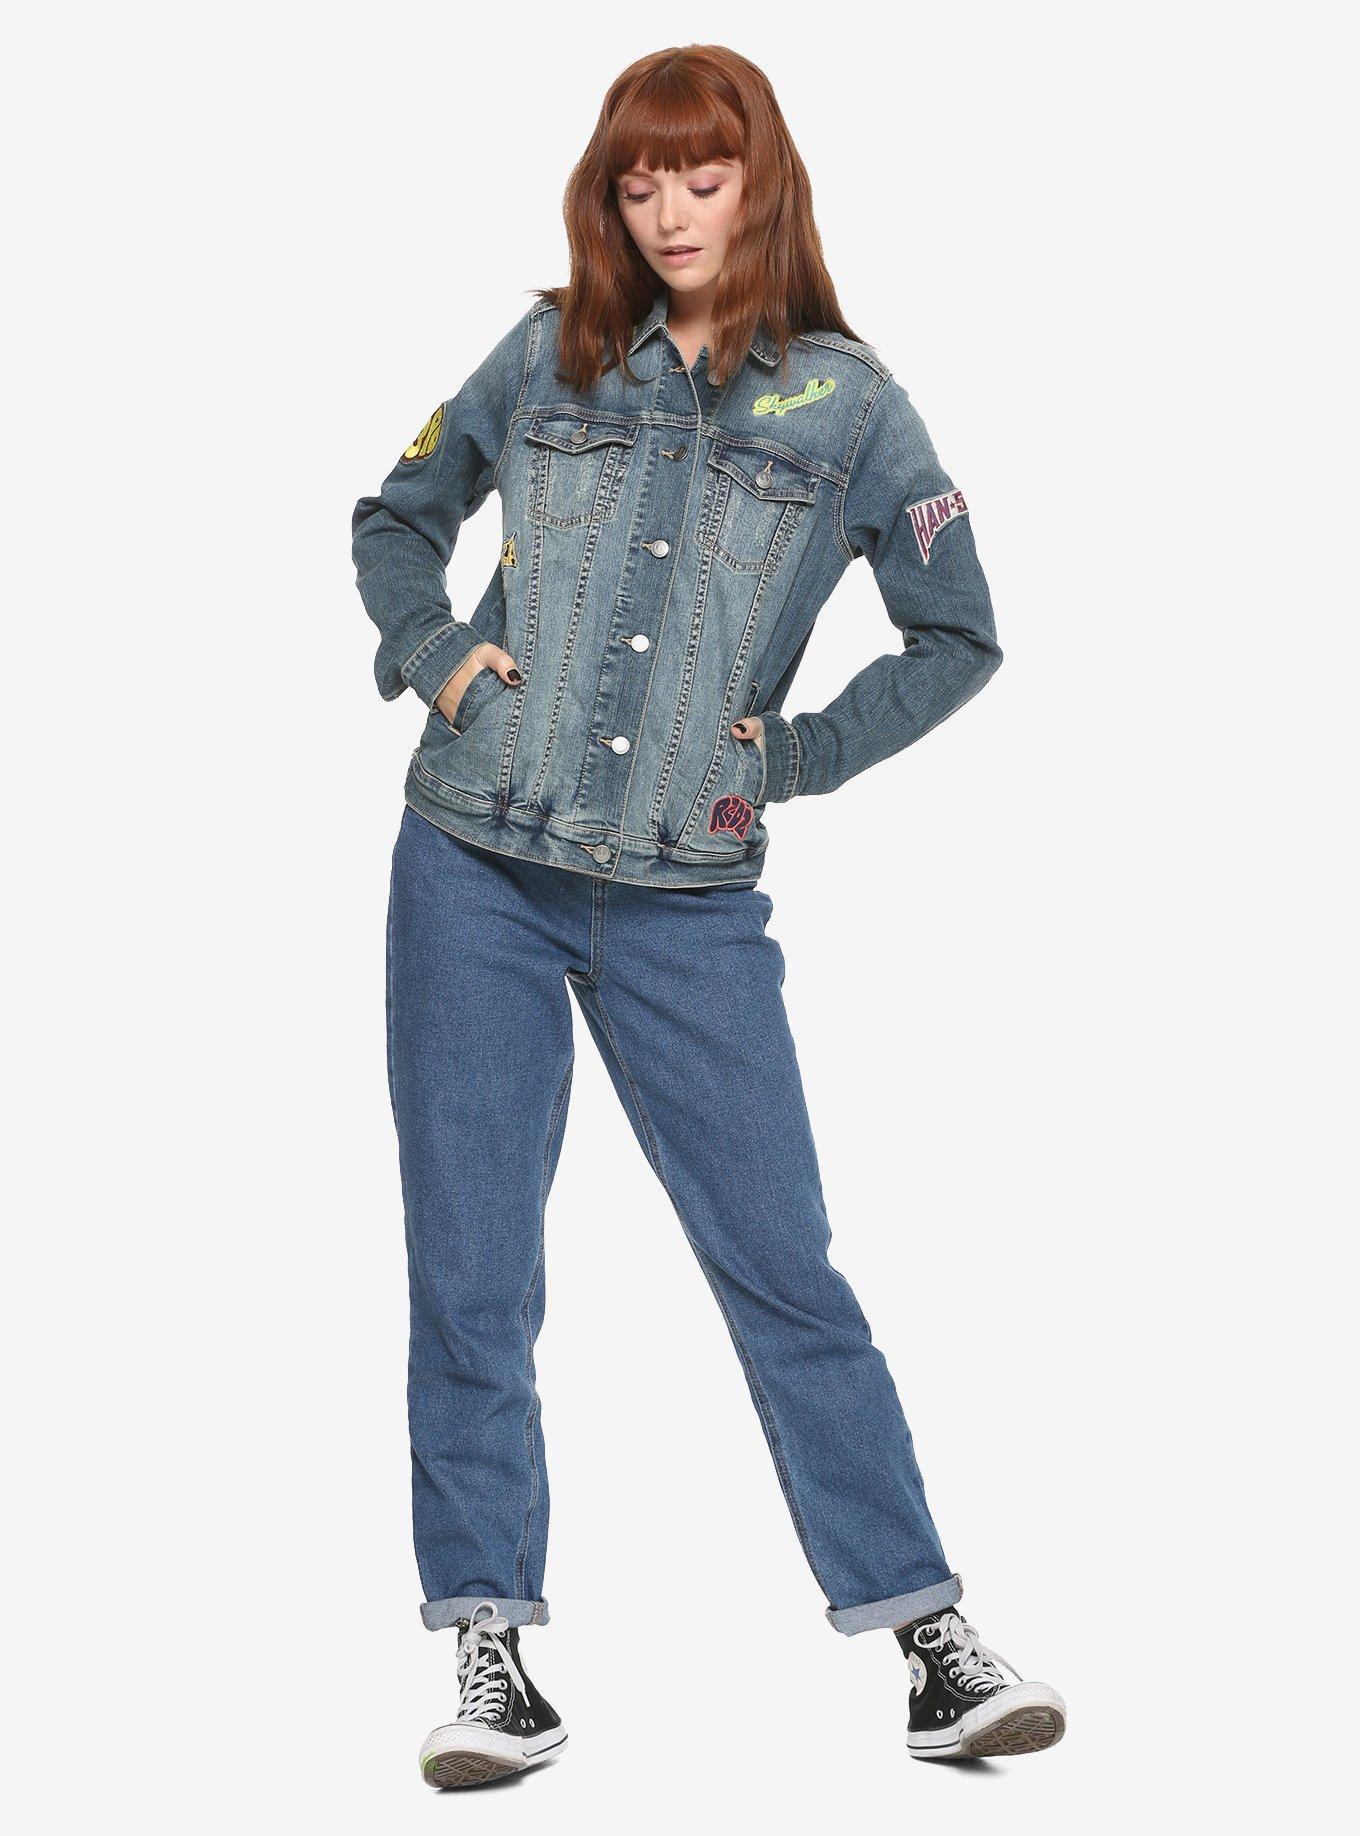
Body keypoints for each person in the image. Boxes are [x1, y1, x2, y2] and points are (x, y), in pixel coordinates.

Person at [352, 43, 1065, 1787]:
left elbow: (959, 635)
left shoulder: (850, 406)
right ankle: (489, 1651)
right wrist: (439, 657)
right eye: (638, 180)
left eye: (702, 175)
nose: (669, 210)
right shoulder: (547, 350)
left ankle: (929, 1638)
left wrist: (798, 757)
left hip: (688, 900)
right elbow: (395, 519)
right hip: (475, 863)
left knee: (783, 1268)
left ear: (763, 184)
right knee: (473, 1271)